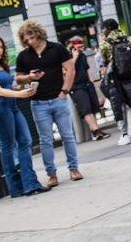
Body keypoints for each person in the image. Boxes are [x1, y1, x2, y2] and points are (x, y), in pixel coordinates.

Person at [0, 36, 50, 197]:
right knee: (8, 146)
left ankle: (30, 184)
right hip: (0, 108)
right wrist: (20, 94)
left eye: (1, 47)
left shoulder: (1, 65)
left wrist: (28, 83)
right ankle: (15, 187)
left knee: (25, 141)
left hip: (12, 106)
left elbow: (9, 85)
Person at [14, 20, 83, 186]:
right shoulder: (24, 55)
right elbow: (17, 77)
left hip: (58, 99)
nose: (30, 41)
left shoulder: (57, 48)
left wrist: (64, 92)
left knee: (68, 136)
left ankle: (74, 168)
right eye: (26, 39)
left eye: (32, 37)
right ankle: (51, 174)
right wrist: (29, 77)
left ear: (38, 33)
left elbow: (70, 69)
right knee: (46, 140)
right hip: (38, 102)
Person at [98, 19, 131, 146]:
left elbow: (104, 62)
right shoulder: (128, 39)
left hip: (115, 78)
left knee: (118, 105)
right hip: (130, 76)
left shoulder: (105, 44)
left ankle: (124, 134)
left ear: (108, 28)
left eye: (104, 28)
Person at [66, 36, 110, 141]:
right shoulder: (68, 57)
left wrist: (92, 84)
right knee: (85, 108)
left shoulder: (83, 55)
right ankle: (95, 131)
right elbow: (66, 71)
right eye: (79, 45)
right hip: (76, 85)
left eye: (82, 45)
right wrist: (74, 57)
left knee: (93, 106)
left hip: (87, 83)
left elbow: (87, 69)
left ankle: (96, 129)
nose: (81, 47)